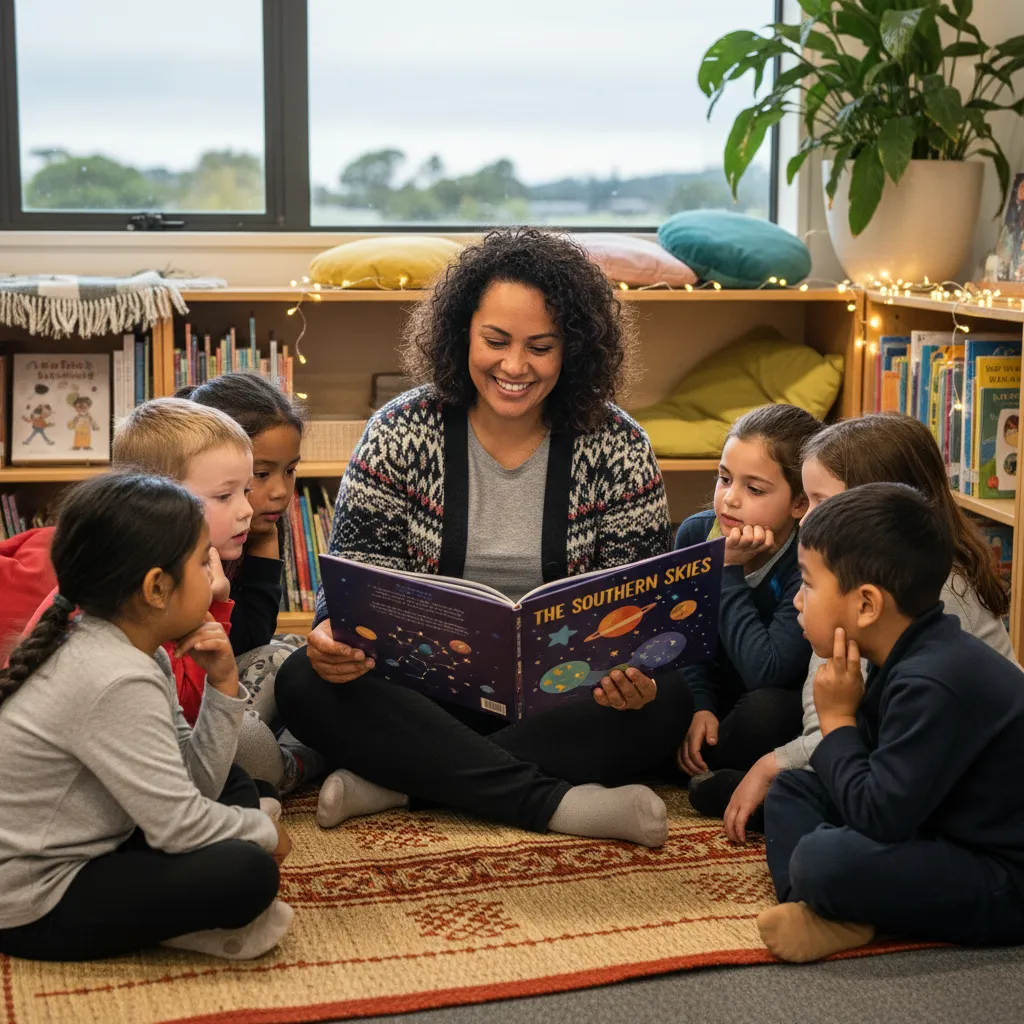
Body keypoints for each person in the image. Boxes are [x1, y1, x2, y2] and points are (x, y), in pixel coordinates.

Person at [276, 227, 684, 847]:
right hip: (423, 695)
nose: (514, 367)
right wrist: (335, 637)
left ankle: (404, 784)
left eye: (540, 348)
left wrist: (636, 673)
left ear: (574, 349)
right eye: (495, 340)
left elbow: (640, 606)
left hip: (563, 700)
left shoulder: (618, 445)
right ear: (461, 330)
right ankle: (557, 805)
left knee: (666, 702)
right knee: (302, 682)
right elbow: (350, 589)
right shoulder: (398, 430)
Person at [0, 474, 292, 963]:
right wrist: (260, 832)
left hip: (96, 837)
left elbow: (195, 784)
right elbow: (177, 825)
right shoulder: (115, 677)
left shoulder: (130, 646)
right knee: (248, 872)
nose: (214, 575)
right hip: (31, 902)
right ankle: (185, 930)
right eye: (202, 562)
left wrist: (222, 685)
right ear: (157, 588)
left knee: (236, 785)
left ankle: (177, 913)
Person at [714, 414, 1016, 844]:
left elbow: (891, 771)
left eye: (821, 501)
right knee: (792, 796)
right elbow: (830, 700)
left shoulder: (935, 597)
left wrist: (773, 763)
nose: (805, 519)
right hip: (883, 771)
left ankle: (821, 891)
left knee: (830, 855)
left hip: (945, 800)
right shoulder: (849, 576)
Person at [757, 483, 1024, 962]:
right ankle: (829, 912)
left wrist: (838, 720)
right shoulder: (902, 651)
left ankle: (836, 905)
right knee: (793, 790)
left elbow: (879, 816)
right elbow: (880, 782)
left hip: (1004, 876)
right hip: (934, 821)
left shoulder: (933, 680)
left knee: (824, 860)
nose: (797, 599)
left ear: (866, 605)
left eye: (809, 583)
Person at [112, 397, 320, 796]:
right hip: (180, 754)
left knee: (295, 653)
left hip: (191, 734)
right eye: (227, 496)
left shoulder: (196, 555)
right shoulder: (153, 585)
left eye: (245, 490)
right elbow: (191, 710)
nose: (248, 508)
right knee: (247, 738)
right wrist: (215, 607)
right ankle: (304, 763)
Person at [179, 374, 324, 793]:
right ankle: (298, 763)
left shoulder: (249, 530)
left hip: (227, 687)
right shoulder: (188, 548)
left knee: (300, 651)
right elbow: (233, 651)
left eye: (290, 471)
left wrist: (263, 543)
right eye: (261, 474)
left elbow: (253, 638)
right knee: (282, 664)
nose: (280, 492)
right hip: (196, 710)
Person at [675, 405, 822, 800]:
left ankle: (709, 770)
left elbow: (767, 670)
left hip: (764, 704)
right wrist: (699, 705)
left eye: (754, 489)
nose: (730, 500)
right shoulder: (695, 534)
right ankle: (700, 758)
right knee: (651, 686)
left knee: (768, 713)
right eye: (724, 479)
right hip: (710, 701)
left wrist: (726, 571)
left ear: (799, 504)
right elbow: (686, 641)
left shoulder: (806, 561)